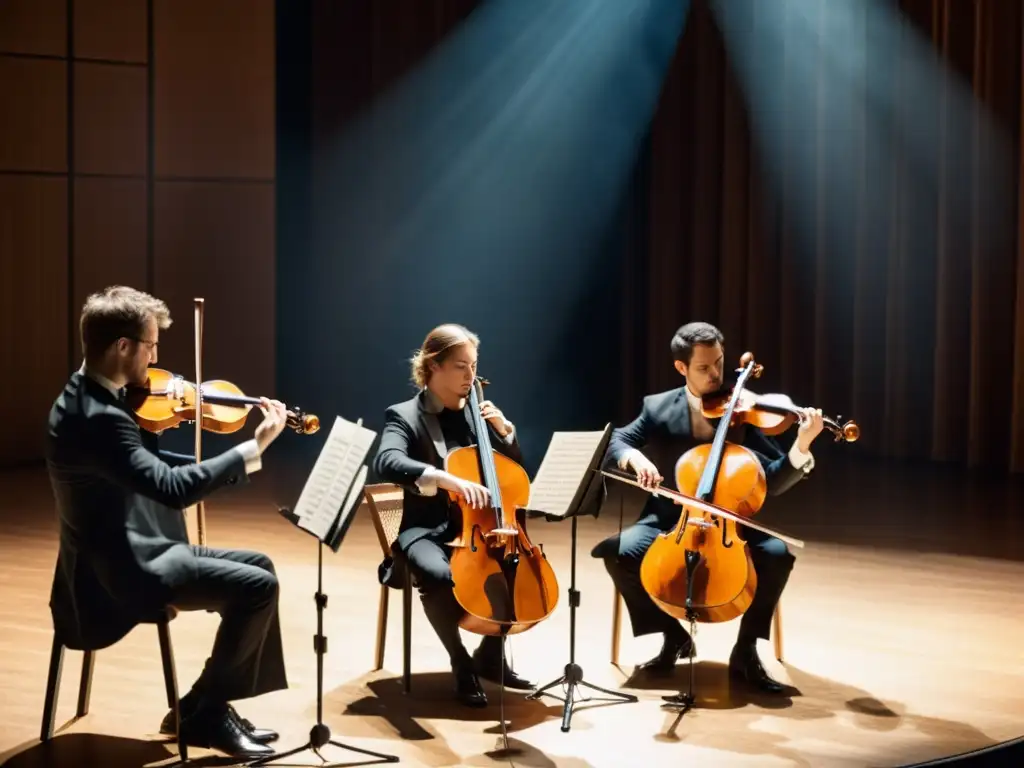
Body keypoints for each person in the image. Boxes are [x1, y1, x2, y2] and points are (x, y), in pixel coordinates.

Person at [46, 286, 289, 760]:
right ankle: (207, 711)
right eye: (152, 344)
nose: (157, 356)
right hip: (119, 571)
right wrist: (251, 449)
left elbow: (145, 464)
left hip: (130, 546)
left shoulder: (91, 394)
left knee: (261, 565)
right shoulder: (98, 416)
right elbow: (171, 488)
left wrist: (230, 463)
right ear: (123, 346)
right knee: (256, 588)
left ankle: (199, 705)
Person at [591, 321, 824, 693]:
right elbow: (618, 440)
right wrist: (635, 459)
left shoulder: (743, 410)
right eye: (704, 367)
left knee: (778, 555)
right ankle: (673, 637)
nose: (716, 374)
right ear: (681, 368)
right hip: (671, 519)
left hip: (730, 525)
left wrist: (802, 445)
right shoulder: (658, 407)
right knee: (616, 553)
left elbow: (775, 479)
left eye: (718, 363)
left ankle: (746, 650)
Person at [373, 323, 534, 708]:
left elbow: (513, 476)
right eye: (461, 366)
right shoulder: (403, 416)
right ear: (434, 366)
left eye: (474, 366)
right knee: (438, 575)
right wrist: (443, 478)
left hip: (480, 528)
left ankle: (491, 657)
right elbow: (387, 461)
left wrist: (506, 433)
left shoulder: (478, 416)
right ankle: (460, 662)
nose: (471, 376)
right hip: (425, 529)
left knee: (510, 561)